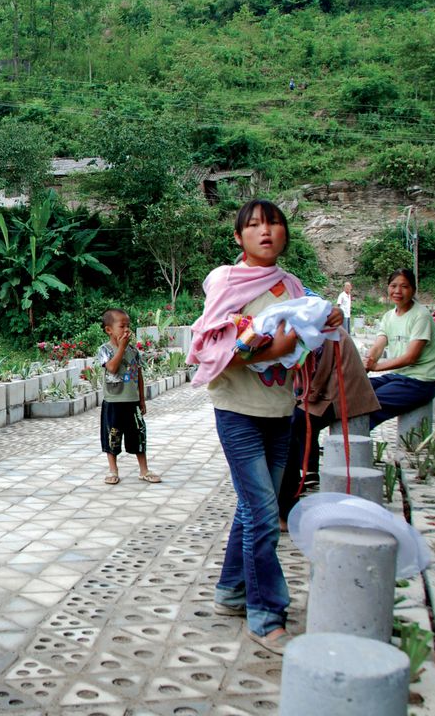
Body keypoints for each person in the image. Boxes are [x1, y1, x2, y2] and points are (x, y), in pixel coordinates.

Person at [187, 199, 341, 656]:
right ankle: (266, 614)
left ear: (285, 233)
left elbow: (312, 329)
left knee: (258, 506)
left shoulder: (293, 286)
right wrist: (280, 345)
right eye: (253, 225)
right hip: (237, 408)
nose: (265, 231)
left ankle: (230, 592)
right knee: (262, 513)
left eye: (273, 223)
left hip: (280, 409)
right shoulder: (225, 280)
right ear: (239, 238)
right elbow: (223, 342)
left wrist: (327, 320)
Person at [278, 327, 379, 523]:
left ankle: (289, 505)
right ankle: (308, 473)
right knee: (294, 423)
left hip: (340, 393)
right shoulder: (314, 325)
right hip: (329, 391)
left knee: (290, 425)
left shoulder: (317, 331)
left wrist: (301, 397)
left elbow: (319, 373)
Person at [364, 268, 435, 428]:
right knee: (357, 390)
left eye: (404, 286)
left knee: (369, 404)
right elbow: (379, 345)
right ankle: (340, 444)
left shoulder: (421, 315)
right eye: (393, 286)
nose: (398, 291)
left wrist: (377, 367)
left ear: (413, 290)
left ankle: (352, 448)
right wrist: (367, 363)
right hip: (398, 378)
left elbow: (411, 357)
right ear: (388, 288)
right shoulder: (388, 316)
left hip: (421, 382)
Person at [97, 308, 160, 485]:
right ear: (109, 330)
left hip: (132, 402)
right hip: (114, 402)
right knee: (113, 435)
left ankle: (144, 469)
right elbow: (112, 368)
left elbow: (139, 375)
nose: (126, 330)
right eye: (122, 326)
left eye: (128, 326)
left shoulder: (133, 350)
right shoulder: (105, 350)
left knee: (139, 434)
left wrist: (141, 399)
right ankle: (113, 470)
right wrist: (121, 348)